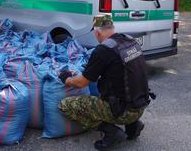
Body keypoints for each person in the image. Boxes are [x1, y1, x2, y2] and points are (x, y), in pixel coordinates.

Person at [58, 15, 154, 150]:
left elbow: (82, 83)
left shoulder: (103, 50)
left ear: (97, 32)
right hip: (140, 106)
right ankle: (133, 125)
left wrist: (66, 78)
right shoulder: (130, 41)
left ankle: (111, 132)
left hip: (123, 111)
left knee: (65, 105)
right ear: (112, 28)